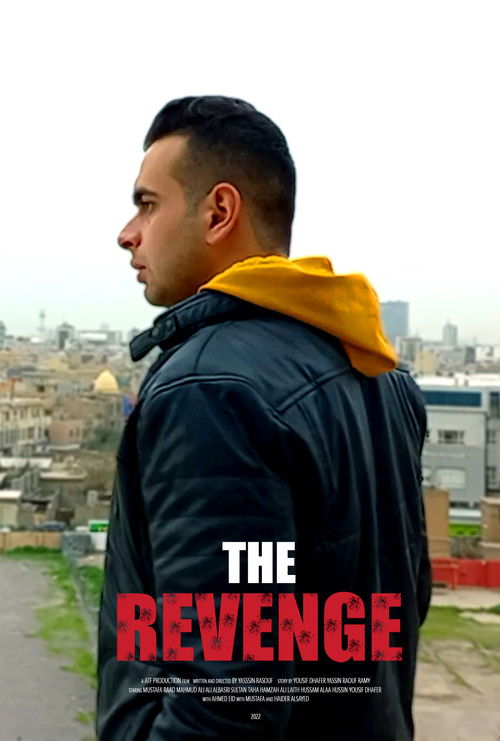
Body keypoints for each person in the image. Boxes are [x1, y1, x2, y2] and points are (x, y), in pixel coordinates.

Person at [96, 95, 431, 740]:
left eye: (147, 204)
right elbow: (405, 598)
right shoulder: (379, 376)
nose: (127, 233)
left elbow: (225, 702)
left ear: (219, 212)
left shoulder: (211, 392)